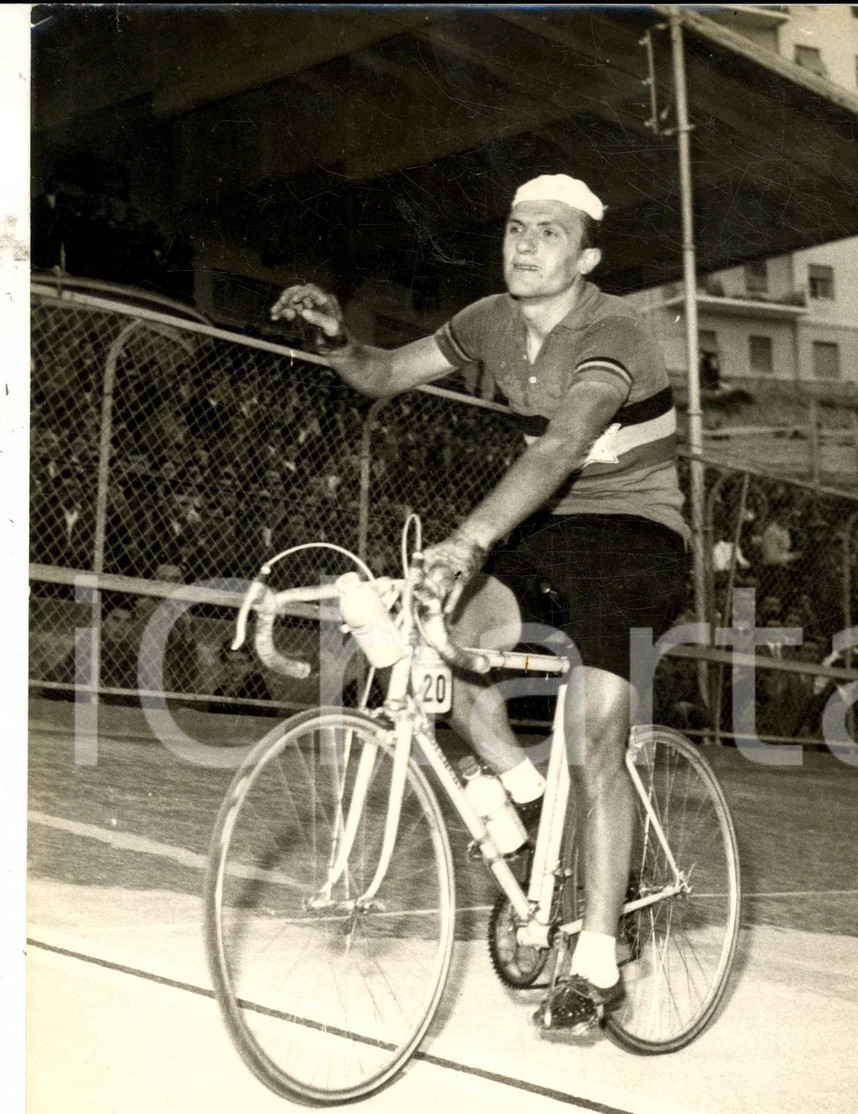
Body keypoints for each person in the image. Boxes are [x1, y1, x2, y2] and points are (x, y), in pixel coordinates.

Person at [271, 174, 690, 1036]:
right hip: (549, 531)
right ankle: (530, 803)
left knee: (595, 737)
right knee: (436, 642)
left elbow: (566, 442)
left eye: (549, 232)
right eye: (515, 228)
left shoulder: (614, 330)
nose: (525, 243)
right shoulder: (491, 319)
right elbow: (387, 372)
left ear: (588, 258)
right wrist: (338, 339)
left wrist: (467, 540)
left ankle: (597, 959)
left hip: (637, 537)